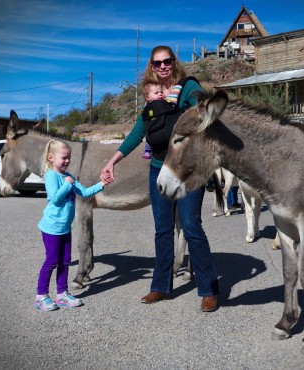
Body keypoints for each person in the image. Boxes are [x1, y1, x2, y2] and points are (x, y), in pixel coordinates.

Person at [101, 45, 220, 312]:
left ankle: (209, 288)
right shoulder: (151, 98)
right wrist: (112, 161)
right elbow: (136, 134)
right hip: (159, 168)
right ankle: (161, 286)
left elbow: (200, 117)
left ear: (174, 63)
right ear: (152, 67)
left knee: (191, 226)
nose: (163, 66)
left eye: (167, 61)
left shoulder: (188, 87)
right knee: (163, 229)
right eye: (157, 63)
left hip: (188, 168)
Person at [35, 139, 112, 312]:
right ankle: (41, 296)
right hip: (51, 228)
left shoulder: (67, 176)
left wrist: (102, 184)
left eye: (69, 157)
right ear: (51, 158)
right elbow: (54, 198)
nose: (67, 160)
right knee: (52, 261)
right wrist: (67, 184)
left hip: (64, 228)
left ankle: (62, 294)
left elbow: (84, 192)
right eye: (64, 157)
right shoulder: (51, 175)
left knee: (65, 261)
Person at [141, 82, 164, 159]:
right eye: (156, 93)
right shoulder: (148, 106)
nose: (160, 94)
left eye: (161, 92)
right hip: (152, 128)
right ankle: (147, 151)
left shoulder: (163, 102)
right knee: (149, 140)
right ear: (147, 97)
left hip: (162, 127)